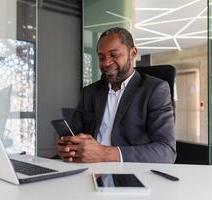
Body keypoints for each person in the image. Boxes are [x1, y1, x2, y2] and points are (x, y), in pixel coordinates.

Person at [56, 27, 176, 163]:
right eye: (101, 57)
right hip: (88, 170)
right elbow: (76, 135)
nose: (106, 63)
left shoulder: (155, 90)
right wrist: (67, 148)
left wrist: (105, 154)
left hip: (130, 175)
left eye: (114, 55)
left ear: (133, 53)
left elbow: (166, 152)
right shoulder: (89, 92)